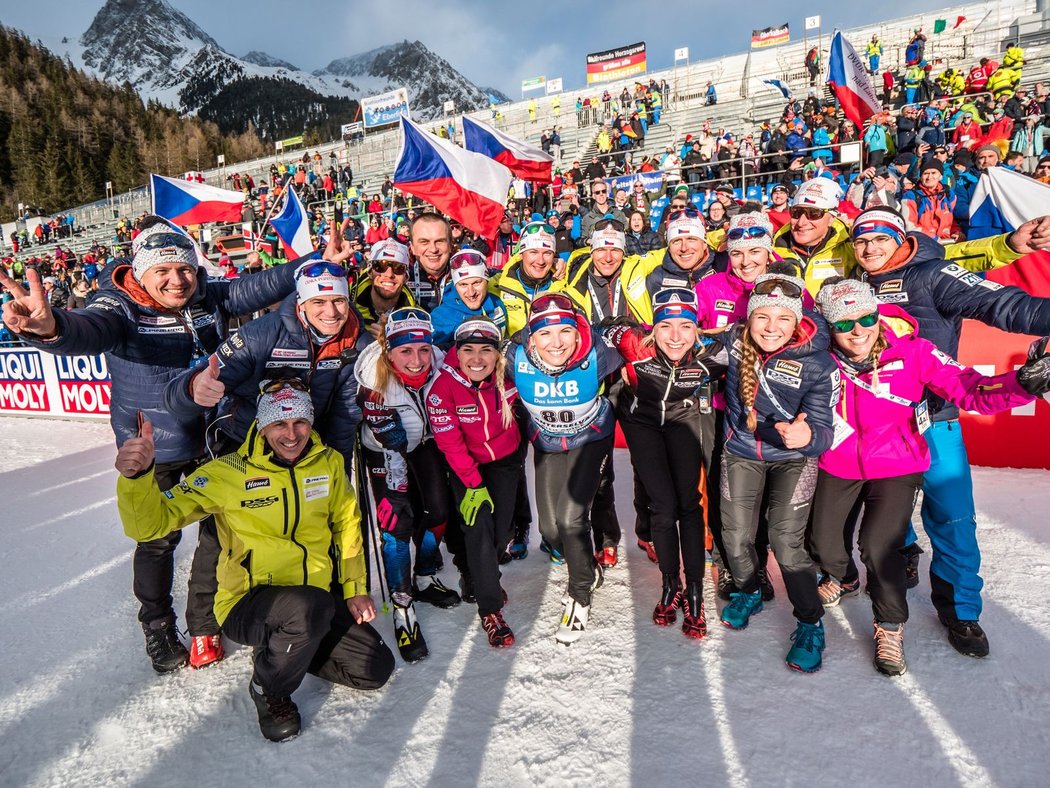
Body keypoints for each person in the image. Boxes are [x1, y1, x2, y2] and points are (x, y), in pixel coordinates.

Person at [0, 216, 306, 673]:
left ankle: (203, 622)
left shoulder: (206, 294)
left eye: (184, 269)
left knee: (218, 535)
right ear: (140, 273)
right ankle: (158, 625)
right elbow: (89, 328)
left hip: (211, 435)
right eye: (162, 271)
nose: (176, 280)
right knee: (158, 540)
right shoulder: (118, 306)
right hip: (155, 446)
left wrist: (312, 266)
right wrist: (51, 330)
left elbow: (257, 286)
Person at [114, 382, 394, 741]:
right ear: (262, 427)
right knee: (305, 608)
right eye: (279, 424)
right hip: (248, 604)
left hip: (314, 602)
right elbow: (151, 525)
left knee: (373, 669)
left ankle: (289, 647)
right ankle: (269, 688)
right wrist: (136, 479)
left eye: (300, 422)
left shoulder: (328, 463)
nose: (291, 434)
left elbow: (346, 525)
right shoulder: (227, 473)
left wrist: (355, 588)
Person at [809, 278, 1049, 675]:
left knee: (879, 547)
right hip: (839, 463)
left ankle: (889, 626)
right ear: (828, 326)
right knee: (824, 546)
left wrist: (1021, 384)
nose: (859, 331)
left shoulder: (914, 352)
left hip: (897, 463)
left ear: (878, 314)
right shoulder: (818, 357)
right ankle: (846, 578)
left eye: (867, 317)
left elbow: (970, 389)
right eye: (844, 323)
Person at [848, 206, 1050, 657]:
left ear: (900, 238)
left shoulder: (932, 273)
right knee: (884, 511)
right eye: (861, 241)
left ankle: (960, 611)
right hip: (879, 425)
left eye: (880, 238)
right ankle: (903, 559)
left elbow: (1001, 303)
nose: (869, 248)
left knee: (954, 519)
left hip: (934, 418)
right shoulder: (853, 285)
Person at [718, 273, 838, 672]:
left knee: (786, 542)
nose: (772, 328)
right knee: (735, 535)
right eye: (762, 318)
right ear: (748, 320)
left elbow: (824, 434)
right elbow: (684, 340)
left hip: (793, 458)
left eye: (783, 319)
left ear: (797, 321)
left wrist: (806, 435)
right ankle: (750, 590)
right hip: (741, 451)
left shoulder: (818, 362)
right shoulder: (733, 343)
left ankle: (810, 622)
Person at [604, 288, 728, 638]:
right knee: (662, 506)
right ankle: (670, 586)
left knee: (689, 505)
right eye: (666, 327)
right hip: (642, 423)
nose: (676, 337)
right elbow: (599, 327)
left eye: (686, 327)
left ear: (697, 330)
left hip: (683, 421)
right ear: (653, 330)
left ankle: (695, 593)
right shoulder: (632, 343)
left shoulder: (714, 353)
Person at [164, 258, 368, 465]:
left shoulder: (360, 343)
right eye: (319, 302)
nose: (331, 312)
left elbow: (345, 415)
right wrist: (192, 389)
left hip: (304, 447)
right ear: (301, 303)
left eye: (338, 301)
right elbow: (178, 399)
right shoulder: (259, 336)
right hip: (244, 442)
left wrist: (338, 469)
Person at [504, 294, 623, 644]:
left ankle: (580, 592)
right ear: (531, 335)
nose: (556, 343)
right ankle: (588, 567)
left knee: (572, 518)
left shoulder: (596, 351)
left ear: (578, 331)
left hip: (592, 437)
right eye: (545, 334)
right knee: (551, 531)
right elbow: (471, 358)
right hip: (548, 443)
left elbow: (638, 347)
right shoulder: (514, 355)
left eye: (565, 332)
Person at [355, 308, 459, 663]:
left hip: (425, 443)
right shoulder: (373, 377)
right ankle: (402, 605)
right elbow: (391, 439)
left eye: (423, 350)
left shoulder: (440, 364)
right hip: (387, 451)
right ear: (388, 351)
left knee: (440, 511)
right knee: (397, 524)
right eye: (406, 352)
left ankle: (426, 576)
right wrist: (400, 486)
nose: (417, 361)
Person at [426, 318, 524, 647]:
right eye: (468, 350)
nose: (477, 359)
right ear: (456, 351)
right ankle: (490, 608)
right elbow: (450, 443)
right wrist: (473, 483)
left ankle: (481, 575)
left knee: (501, 534)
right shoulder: (442, 387)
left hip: (505, 461)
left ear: (497, 355)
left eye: (486, 350)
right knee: (479, 529)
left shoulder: (508, 379)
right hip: (466, 466)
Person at [431, 249, 508, 347]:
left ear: (487, 281)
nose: (471, 293)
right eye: (463, 284)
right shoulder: (442, 316)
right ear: (455, 286)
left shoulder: (496, 302)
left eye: (476, 283)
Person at [353, 239, 416, 331]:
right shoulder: (348, 307)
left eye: (398, 268)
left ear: (406, 277)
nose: (389, 274)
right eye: (380, 266)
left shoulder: (415, 317)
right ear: (370, 272)